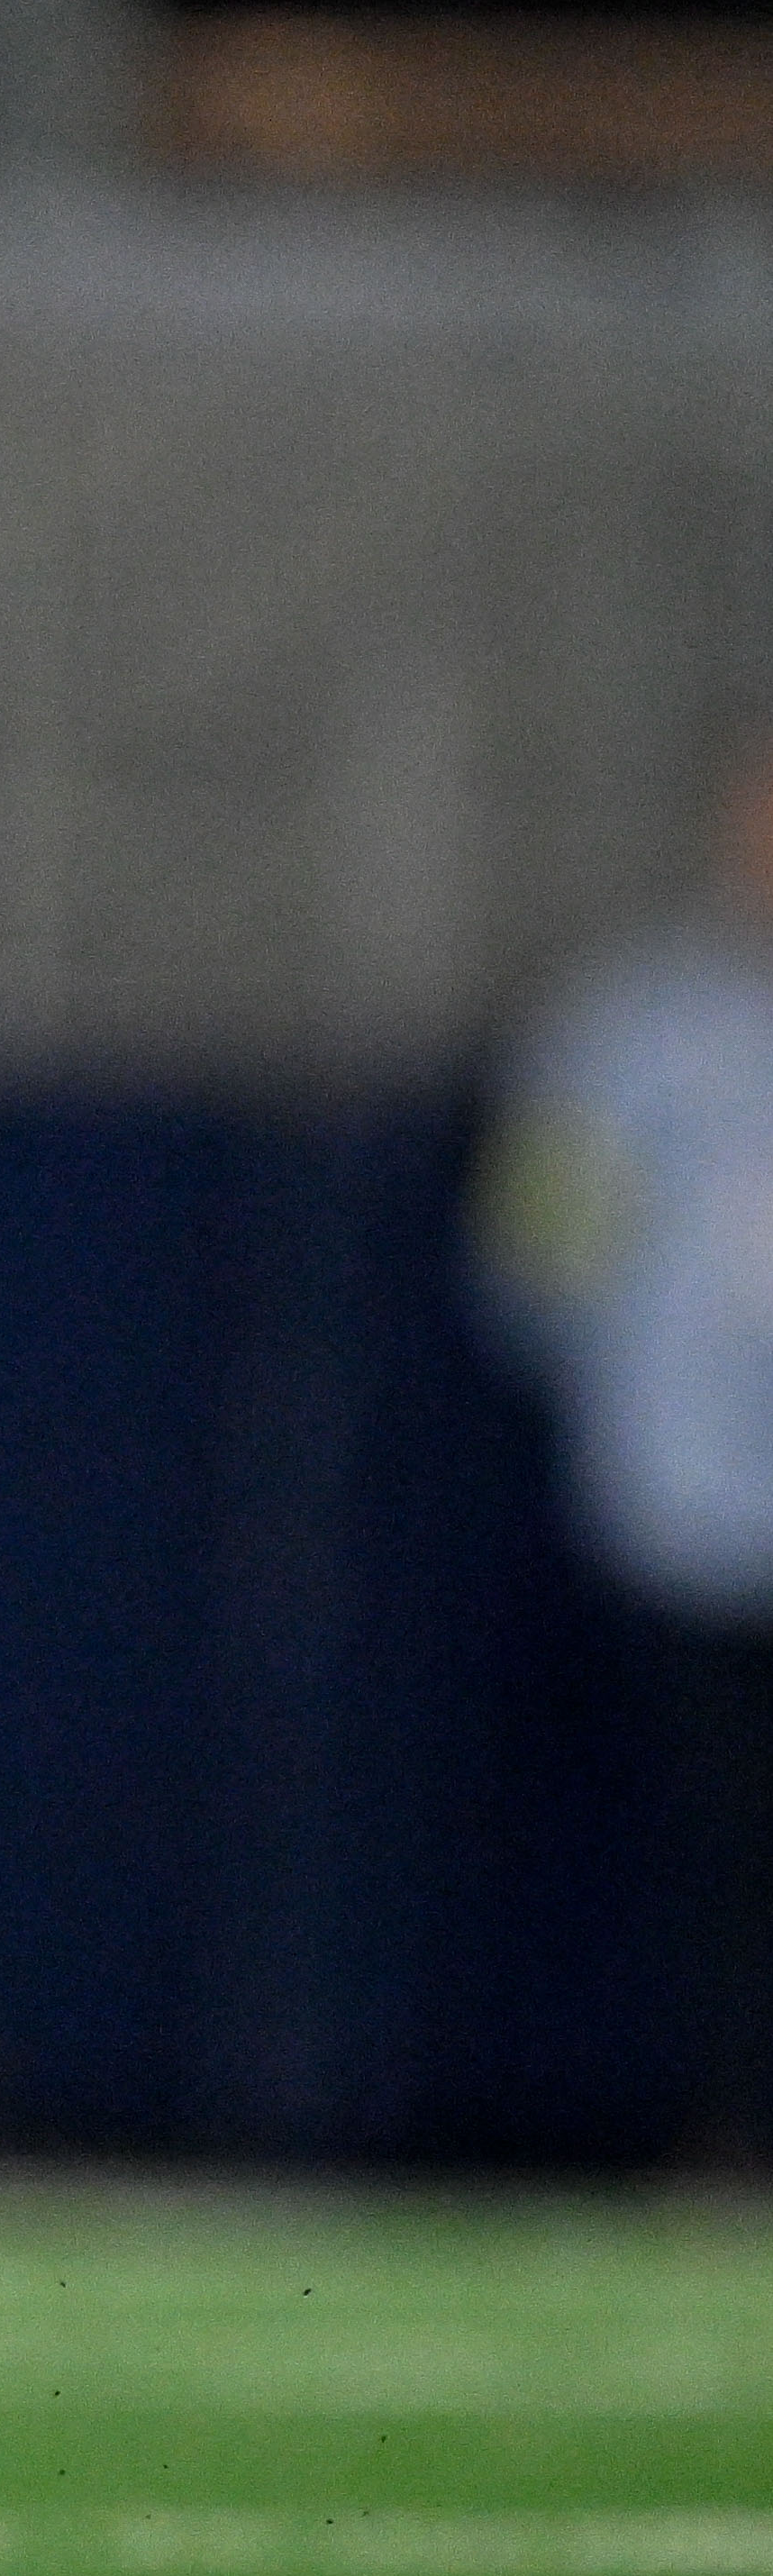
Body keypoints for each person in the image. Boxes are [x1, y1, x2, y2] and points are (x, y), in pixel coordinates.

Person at [482, 733, 773, 2169]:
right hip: (694, 1512)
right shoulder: (634, 1033)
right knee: (709, 1855)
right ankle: (724, 2129)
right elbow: (535, 1262)